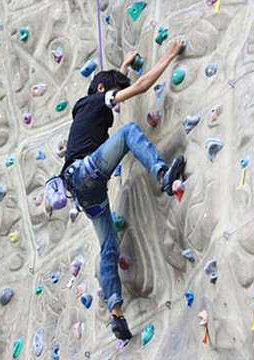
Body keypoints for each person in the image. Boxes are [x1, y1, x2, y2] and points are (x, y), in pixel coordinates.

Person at [60, 39, 186, 340]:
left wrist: (124, 65)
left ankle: (116, 314)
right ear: (104, 92)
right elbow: (140, 87)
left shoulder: (87, 107)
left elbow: (107, 88)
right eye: (114, 96)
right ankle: (162, 174)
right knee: (129, 132)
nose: (117, 105)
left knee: (109, 247)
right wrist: (168, 55)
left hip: (83, 193)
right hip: (86, 171)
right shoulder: (96, 101)